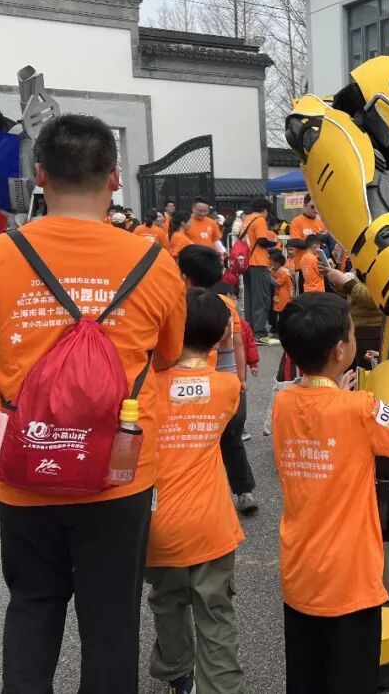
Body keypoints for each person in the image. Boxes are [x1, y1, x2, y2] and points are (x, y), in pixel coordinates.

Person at [0, 113, 186, 693]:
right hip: (119, 472)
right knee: (112, 621)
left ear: (40, 176)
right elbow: (168, 358)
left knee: (33, 603)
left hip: (24, 468)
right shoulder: (155, 263)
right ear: (115, 178)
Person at [271, 293, 389, 693]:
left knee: (307, 679)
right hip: (350, 583)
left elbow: (320, 411)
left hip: (300, 576)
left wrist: (336, 391)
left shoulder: (282, 404)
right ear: (340, 351)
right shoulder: (361, 410)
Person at [145, 288, 244, 694]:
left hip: (156, 525)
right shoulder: (226, 388)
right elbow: (220, 374)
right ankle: (220, 686)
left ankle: (178, 673)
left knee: (167, 604)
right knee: (215, 612)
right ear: (221, 334)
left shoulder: (147, 388)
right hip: (210, 525)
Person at [178, 245, 259, 516]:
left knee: (190, 442)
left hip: (187, 380)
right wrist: (240, 380)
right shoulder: (226, 304)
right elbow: (237, 343)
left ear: (184, 275)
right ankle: (244, 492)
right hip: (226, 381)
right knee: (232, 438)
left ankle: (194, 498)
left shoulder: (179, 302)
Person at [322, 266, 385, 367]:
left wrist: (347, 283)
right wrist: (335, 278)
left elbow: (376, 298)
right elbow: (350, 293)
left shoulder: (381, 266)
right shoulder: (359, 264)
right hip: (355, 332)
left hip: (373, 334)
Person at [240, 198, 278, 344]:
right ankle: (260, 333)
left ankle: (250, 331)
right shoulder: (260, 219)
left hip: (246, 263)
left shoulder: (247, 219)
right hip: (258, 262)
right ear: (266, 210)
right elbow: (262, 240)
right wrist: (274, 242)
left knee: (250, 298)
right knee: (261, 298)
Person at [289, 194, 327, 285]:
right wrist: (312, 243)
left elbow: (325, 242)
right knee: (303, 292)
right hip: (302, 266)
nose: (315, 209)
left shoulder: (321, 223)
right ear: (305, 206)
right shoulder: (296, 221)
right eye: (312, 206)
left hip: (318, 267)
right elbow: (294, 241)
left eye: (317, 207)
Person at [270, 250, 293, 335]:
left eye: (272, 262)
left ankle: (282, 330)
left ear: (277, 263)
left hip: (284, 297)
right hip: (279, 296)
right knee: (279, 314)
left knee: (282, 314)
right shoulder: (278, 270)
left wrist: (268, 277)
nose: (271, 264)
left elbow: (277, 283)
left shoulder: (283, 272)